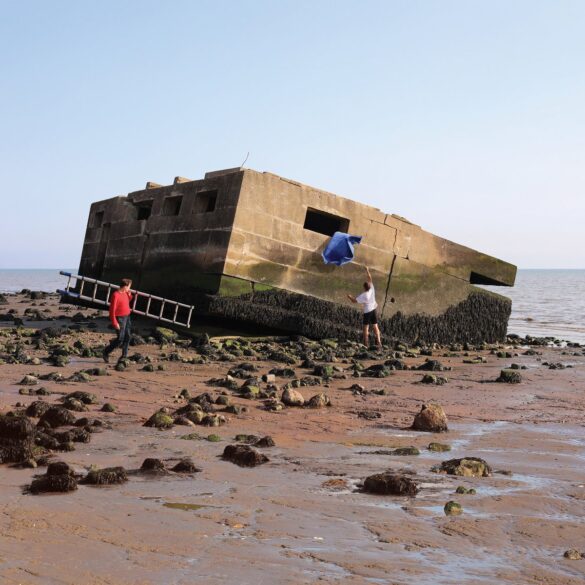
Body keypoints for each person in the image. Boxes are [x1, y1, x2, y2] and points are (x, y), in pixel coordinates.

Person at [347, 266, 382, 349]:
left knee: (366, 328)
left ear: (364, 288)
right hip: (373, 310)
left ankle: (366, 344)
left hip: (367, 312)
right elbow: (370, 278)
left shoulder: (364, 295)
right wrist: (367, 270)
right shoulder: (372, 289)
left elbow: (354, 301)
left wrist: (349, 296)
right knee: (375, 327)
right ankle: (379, 342)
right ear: (369, 286)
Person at [103, 278, 133, 363]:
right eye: (129, 287)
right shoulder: (115, 295)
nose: (129, 288)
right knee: (120, 338)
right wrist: (115, 322)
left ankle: (124, 356)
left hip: (127, 316)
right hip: (119, 318)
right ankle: (106, 352)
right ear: (125, 286)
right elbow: (112, 310)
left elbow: (127, 301)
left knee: (128, 336)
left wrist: (130, 295)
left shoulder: (126, 293)